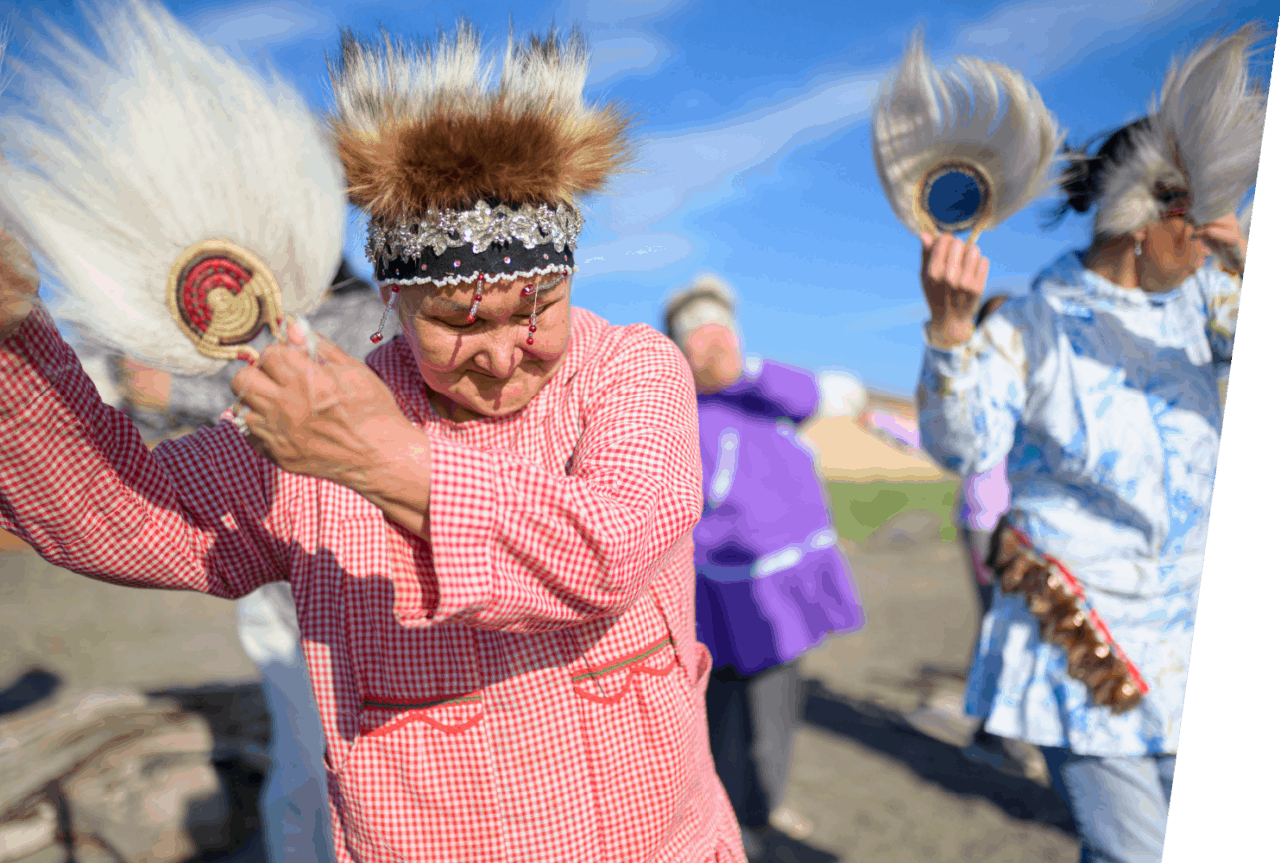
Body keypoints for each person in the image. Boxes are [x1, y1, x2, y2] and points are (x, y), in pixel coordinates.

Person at [0, 22, 746, 863]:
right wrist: (13, 339)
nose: (503, 354)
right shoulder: (323, 410)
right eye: (458, 322)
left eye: (536, 309)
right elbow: (120, 522)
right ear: (395, 298)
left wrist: (375, 459)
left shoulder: (630, 371)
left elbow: (603, 550)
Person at [915, 25, 1259, 863]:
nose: (1216, 233)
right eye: (1204, 217)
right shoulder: (1033, 325)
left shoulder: (1208, 310)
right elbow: (964, 445)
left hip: (1200, 639)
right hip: (1082, 641)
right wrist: (953, 329)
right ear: (1151, 220)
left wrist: (1248, 266)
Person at [81, 259, 383, 863]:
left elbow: (323, 410)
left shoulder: (367, 319)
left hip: (346, 578)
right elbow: (190, 424)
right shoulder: (250, 326)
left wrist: (174, 390)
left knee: (348, 764)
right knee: (302, 758)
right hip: (270, 584)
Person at [664, 274, 867, 861]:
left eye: (721, 333)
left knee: (775, 710)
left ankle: (759, 807)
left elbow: (824, 395)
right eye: (697, 338)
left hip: (784, 586)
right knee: (719, 714)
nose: (714, 347)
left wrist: (744, 371)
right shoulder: (678, 410)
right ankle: (731, 817)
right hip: (717, 593)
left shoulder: (763, 392)